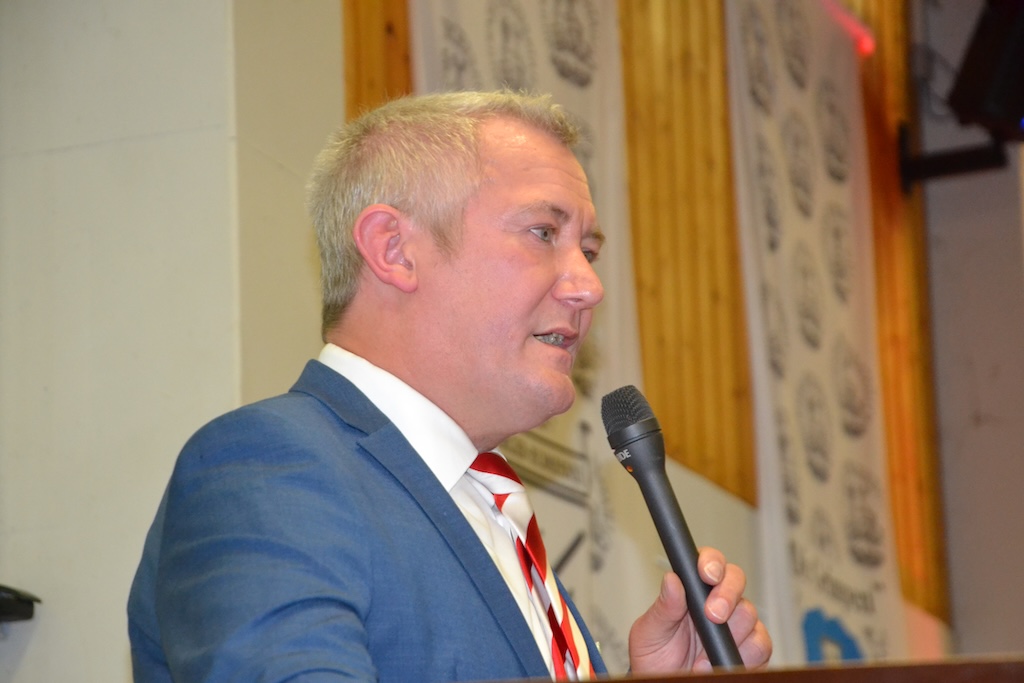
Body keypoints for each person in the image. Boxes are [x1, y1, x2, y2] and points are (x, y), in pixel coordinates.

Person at [127, 90, 771, 681]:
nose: (589, 286)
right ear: (394, 249)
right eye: (543, 234)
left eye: (590, 251)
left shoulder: (488, 507)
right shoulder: (269, 467)